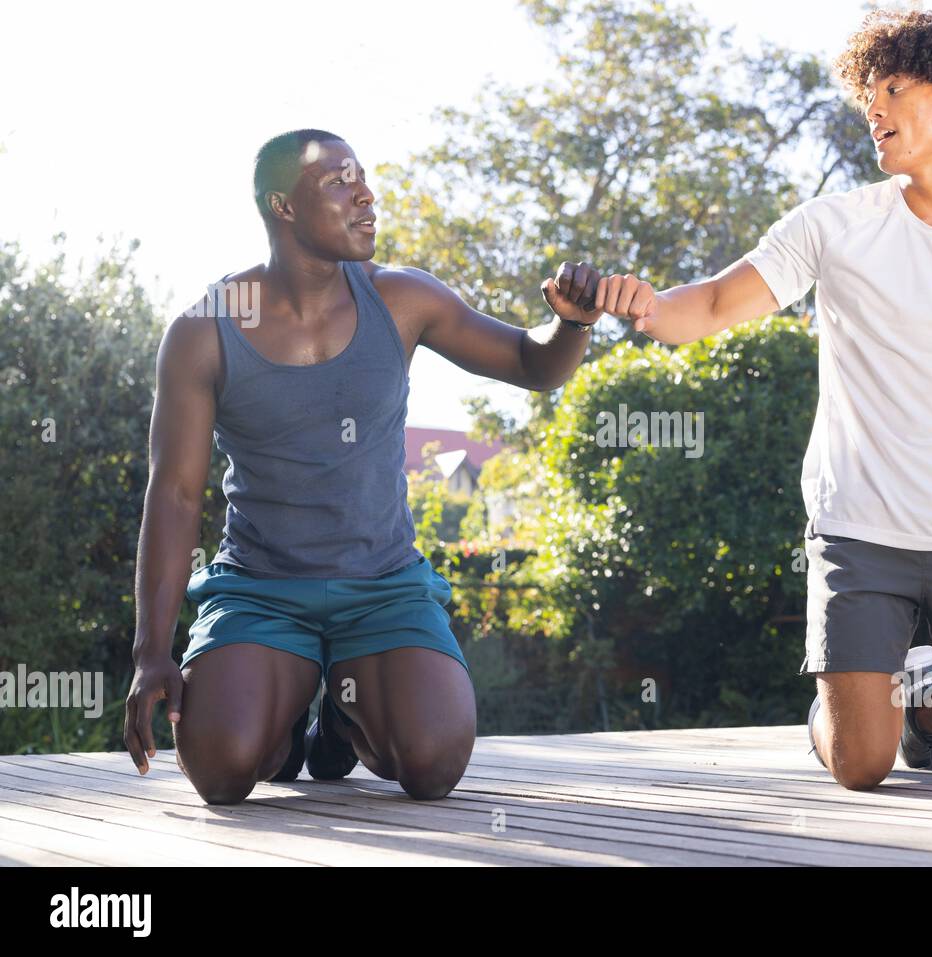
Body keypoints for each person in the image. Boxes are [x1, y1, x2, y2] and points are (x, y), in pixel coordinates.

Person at [595, 10, 932, 791]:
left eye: (894, 89)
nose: (874, 109)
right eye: (868, 94)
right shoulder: (833, 227)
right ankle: (856, 712)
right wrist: (641, 302)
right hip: (861, 531)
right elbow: (704, 309)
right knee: (862, 764)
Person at [124, 129, 602, 804]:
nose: (365, 193)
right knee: (224, 768)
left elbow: (531, 363)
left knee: (433, 764)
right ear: (283, 206)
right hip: (260, 590)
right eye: (338, 181)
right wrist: (151, 653)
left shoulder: (403, 298)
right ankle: (285, 731)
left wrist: (573, 326)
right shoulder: (205, 330)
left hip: (383, 586)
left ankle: (345, 719)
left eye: (364, 177)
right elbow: (173, 496)